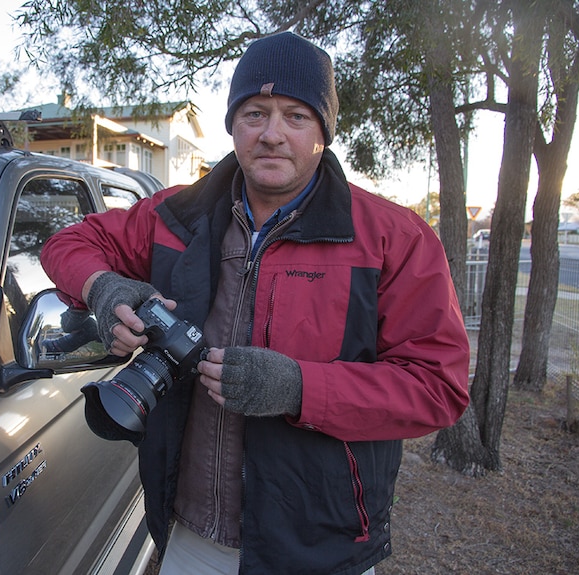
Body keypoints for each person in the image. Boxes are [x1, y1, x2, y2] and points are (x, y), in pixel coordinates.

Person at [40, 32, 470, 575]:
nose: (272, 134)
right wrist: (105, 288)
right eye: (254, 113)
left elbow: (438, 386)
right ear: (232, 125)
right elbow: (65, 245)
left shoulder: (394, 237)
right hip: (187, 532)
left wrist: (299, 388)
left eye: (295, 115)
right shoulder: (176, 215)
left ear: (323, 132)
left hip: (320, 546)